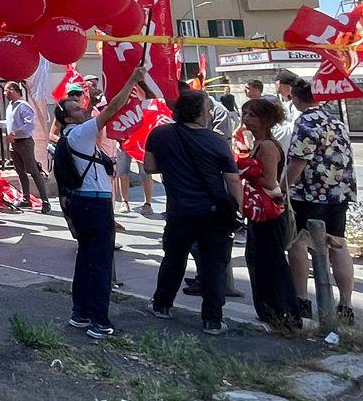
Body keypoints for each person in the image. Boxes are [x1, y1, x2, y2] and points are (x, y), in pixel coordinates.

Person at [142, 90, 243, 334]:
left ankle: (162, 305)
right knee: (213, 266)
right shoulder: (216, 141)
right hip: (212, 213)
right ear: (199, 113)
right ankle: (212, 320)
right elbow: (232, 179)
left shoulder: (159, 134)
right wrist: (236, 209)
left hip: (178, 211)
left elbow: (149, 166)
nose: (209, 114)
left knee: (173, 260)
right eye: (208, 110)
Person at [51, 77, 137, 339]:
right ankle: (100, 322)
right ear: (66, 118)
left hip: (80, 202)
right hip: (95, 202)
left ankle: (81, 313)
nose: (82, 108)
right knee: (100, 263)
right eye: (76, 108)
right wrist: (131, 80)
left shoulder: (69, 135)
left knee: (85, 258)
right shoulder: (80, 133)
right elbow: (111, 110)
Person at [286, 81, 359, 325]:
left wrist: (281, 188)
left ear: (295, 97)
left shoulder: (306, 122)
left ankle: (301, 299)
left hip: (309, 192)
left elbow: (299, 161)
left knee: (298, 242)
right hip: (340, 191)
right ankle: (346, 305)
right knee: (338, 243)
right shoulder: (336, 120)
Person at [239, 97, 303, 332]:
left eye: (252, 115)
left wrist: (244, 171)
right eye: (245, 113)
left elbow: (269, 180)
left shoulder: (266, 145)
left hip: (269, 210)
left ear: (266, 120)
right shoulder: (257, 143)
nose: (246, 118)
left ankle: (284, 311)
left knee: (271, 260)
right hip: (258, 209)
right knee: (256, 258)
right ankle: (269, 310)